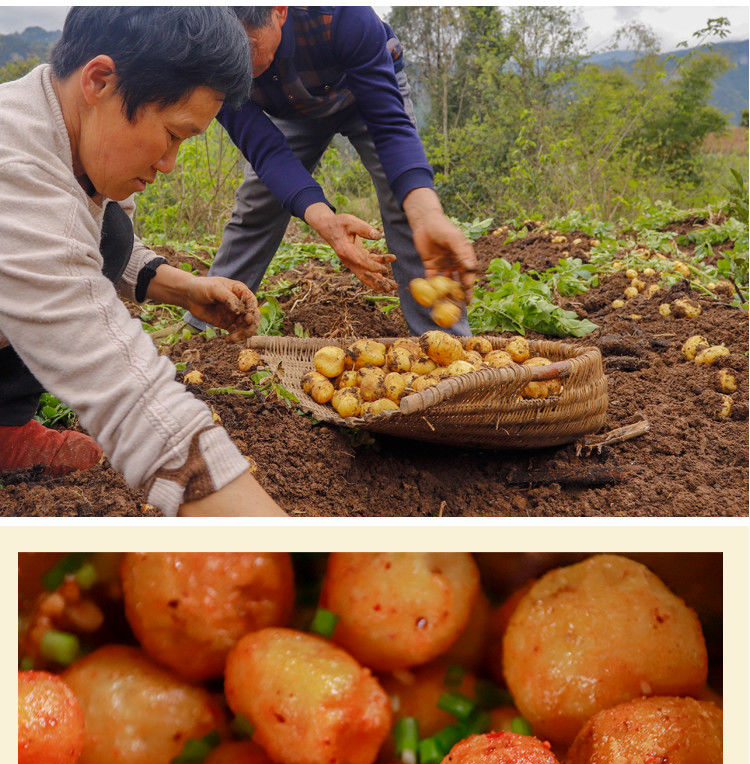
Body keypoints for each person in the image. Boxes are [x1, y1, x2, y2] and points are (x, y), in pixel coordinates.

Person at [0, 6, 285, 516]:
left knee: (111, 230)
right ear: (101, 80)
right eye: (173, 135)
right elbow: (129, 396)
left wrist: (186, 290)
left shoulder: (69, 129)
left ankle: (5, 429)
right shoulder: (15, 172)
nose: (169, 164)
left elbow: (100, 246)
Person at [186, 6, 477, 337]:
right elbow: (265, 150)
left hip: (365, 91)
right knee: (258, 203)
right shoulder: (212, 53)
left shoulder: (342, 15)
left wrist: (426, 213)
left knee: (407, 203)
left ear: (279, 11)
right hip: (291, 110)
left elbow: (390, 125)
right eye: (228, 49)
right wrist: (325, 221)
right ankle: (207, 327)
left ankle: (446, 343)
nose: (237, 61)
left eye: (249, 45)